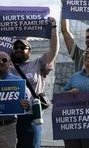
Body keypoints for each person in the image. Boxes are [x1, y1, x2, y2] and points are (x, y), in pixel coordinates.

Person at [11, 17, 59, 148]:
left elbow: (54, 51)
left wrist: (54, 29)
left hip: (32, 116)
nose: (19, 49)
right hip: (10, 118)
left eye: (23, 47)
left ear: (29, 51)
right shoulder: (6, 67)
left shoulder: (38, 63)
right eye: (16, 47)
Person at [0, 51, 31, 148]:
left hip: (8, 128)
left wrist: (26, 104)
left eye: (4, 60)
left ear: (10, 63)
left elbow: (27, 100)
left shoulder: (17, 82)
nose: (1, 62)